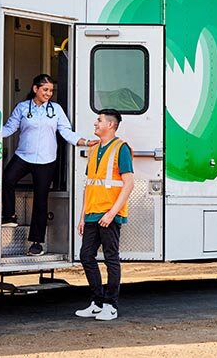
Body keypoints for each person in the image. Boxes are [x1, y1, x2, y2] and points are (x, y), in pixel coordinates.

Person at [1, 74, 97, 256]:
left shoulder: (56, 109)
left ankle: (36, 243)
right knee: (7, 179)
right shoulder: (22, 108)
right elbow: (9, 128)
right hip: (23, 155)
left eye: (51, 91)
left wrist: (83, 142)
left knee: (40, 200)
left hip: (46, 161)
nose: (48, 93)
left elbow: (66, 131)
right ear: (35, 89)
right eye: (45, 90)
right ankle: (9, 215)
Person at [74, 109, 134, 321]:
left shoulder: (121, 149)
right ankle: (97, 302)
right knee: (86, 256)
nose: (95, 123)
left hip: (109, 214)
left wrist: (112, 213)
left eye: (99, 120)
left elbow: (129, 184)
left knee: (111, 258)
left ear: (111, 125)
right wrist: (82, 216)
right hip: (92, 213)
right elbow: (89, 186)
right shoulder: (93, 150)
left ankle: (111, 305)